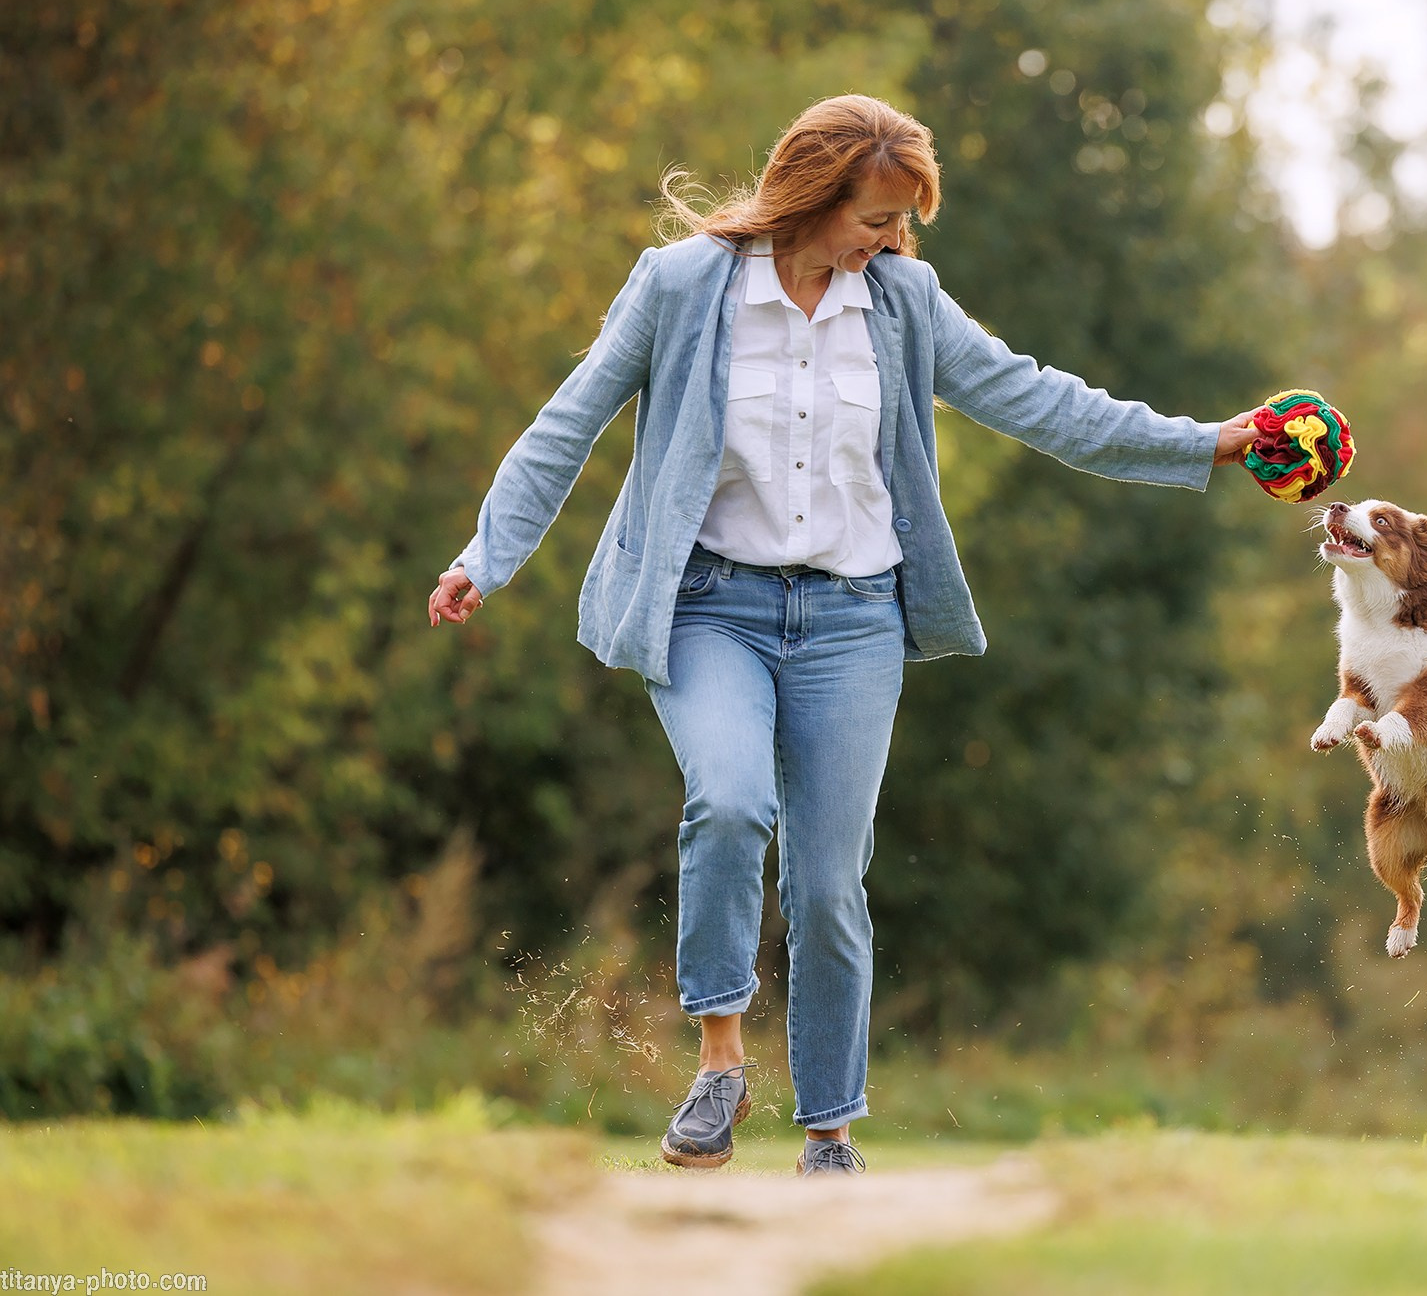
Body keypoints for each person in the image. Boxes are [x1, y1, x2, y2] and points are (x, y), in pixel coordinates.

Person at [428, 94, 1258, 1176]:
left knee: (826, 881)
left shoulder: (903, 301)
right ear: (815, 195)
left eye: (901, 222)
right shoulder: (681, 286)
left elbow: (1037, 401)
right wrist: (484, 557)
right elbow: (565, 423)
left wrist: (1207, 443)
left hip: (850, 617)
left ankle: (829, 1132)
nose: (889, 240)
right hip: (709, 605)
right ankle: (720, 1061)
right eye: (875, 218)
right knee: (726, 801)